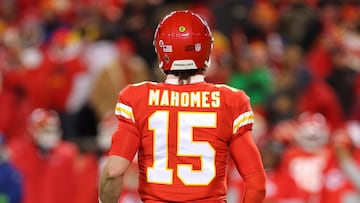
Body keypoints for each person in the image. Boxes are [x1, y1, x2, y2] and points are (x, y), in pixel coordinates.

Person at [99, 10, 266, 203]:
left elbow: (113, 172)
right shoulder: (231, 101)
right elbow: (256, 183)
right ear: (205, 49)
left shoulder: (136, 98)